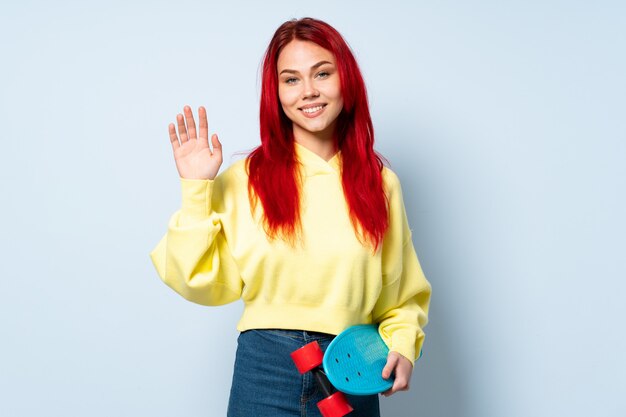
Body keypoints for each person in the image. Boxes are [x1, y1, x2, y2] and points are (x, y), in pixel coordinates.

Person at [149, 17, 432, 417]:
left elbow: (402, 296)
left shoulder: (380, 183)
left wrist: (403, 344)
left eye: (322, 73)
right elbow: (197, 281)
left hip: (351, 367)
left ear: (345, 80)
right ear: (276, 92)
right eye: (291, 79)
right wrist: (197, 189)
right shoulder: (247, 178)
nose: (309, 91)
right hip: (264, 366)